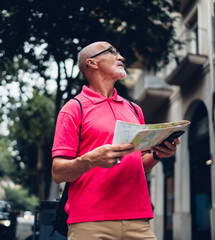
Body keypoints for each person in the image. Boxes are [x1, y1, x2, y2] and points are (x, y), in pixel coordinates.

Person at [52, 41, 180, 240]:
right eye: (112, 52)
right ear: (92, 63)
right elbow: (58, 172)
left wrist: (157, 153)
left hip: (139, 220)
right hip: (90, 222)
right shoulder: (73, 108)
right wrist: (90, 160)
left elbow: (138, 164)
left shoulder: (134, 109)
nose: (120, 57)